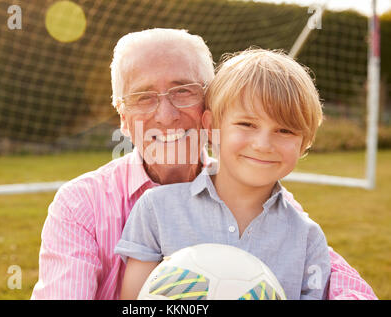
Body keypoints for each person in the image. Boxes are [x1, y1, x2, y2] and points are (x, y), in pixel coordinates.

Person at [31, 28, 377, 300]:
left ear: (209, 105)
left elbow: (337, 282)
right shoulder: (81, 205)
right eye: (142, 97)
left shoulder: (273, 203)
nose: (165, 116)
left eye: (183, 91)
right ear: (122, 117)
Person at [115, 48, 331, 299]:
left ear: (305, 142)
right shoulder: (156, 211)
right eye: (247, 124)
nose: (263, 144)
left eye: (285, 131)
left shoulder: (307, 238)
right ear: (211, 126)